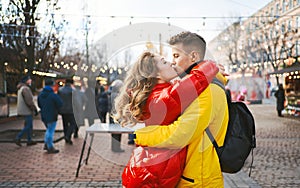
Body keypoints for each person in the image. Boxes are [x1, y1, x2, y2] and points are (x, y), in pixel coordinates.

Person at [133, 31, 229, 187]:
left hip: (198, 179)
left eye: (176, 56)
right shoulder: (196, 88)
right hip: (194, 175)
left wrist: (140, 136)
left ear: (193, 56)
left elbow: (180, 135)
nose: (173, 62)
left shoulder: (208, 91)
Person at [114, 51, 219, 187]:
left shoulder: (159, 93)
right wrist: (211, 64)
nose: (171, 63)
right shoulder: (161, 100)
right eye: (164, 62)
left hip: (152, 171)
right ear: (155, 74)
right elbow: (196, 81)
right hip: (151, 177)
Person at [38, 78, 63, 154]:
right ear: (52, 86)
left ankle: (46, 144)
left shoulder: (40, 95)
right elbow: (60, 103)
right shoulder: (53, 95)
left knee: (48, 129)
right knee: (50, 131)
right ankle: (50, 146)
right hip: (52, 115)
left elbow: (39, 104)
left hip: (44, 115)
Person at [15, 75, 38, 146]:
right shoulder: (26, 89)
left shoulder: (20, 88)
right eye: (29, 79)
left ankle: (29, 140)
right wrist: (34, 109)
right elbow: (29, 101)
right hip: (27, 110)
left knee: (29, 125)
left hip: (22, 110)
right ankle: (18, 137)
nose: (30, 80)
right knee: (28, 126)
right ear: (26, 81)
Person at [58, 78, 76, 145]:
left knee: (65, 124)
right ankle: (68, 136)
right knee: (73, 124)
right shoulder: (73, 90)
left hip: (63, 110)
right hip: (71, 110)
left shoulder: (60, 90)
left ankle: (66, 137)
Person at [109, 79, 125, 152]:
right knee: (117, 133)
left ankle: (114, 147)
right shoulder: (117, 95)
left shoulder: (112, 94)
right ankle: (116, 148)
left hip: (112, 116)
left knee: (114, 133)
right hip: (117, 116)